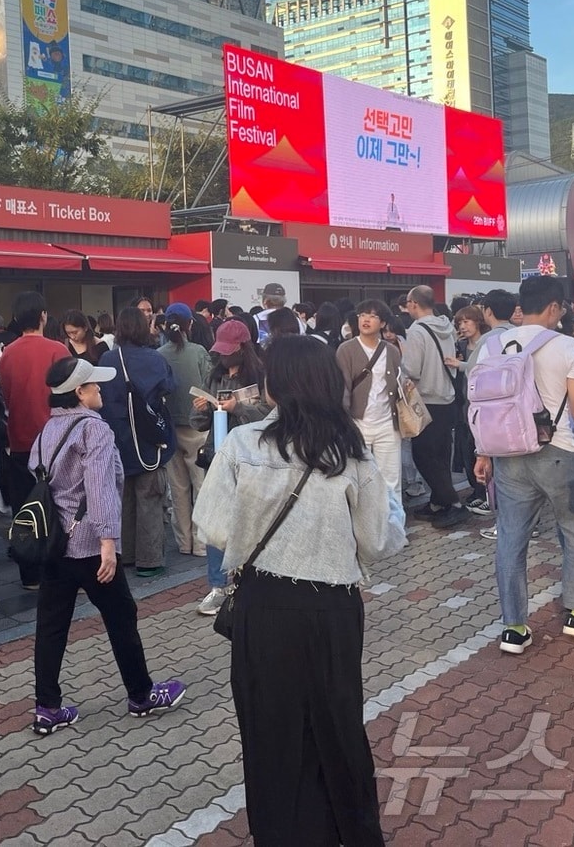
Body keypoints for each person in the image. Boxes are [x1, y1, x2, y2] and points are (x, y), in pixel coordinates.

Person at [195, 337, 405, 847]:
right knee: (337, 727)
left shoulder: (243, 444)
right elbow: (379, 539)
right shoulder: (349, 449)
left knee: (270, 733)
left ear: (276, 385)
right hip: (333, 606)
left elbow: (212, 524)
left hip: (263, 606)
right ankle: (351, 834)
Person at [29, 357, 187, 735]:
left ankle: (47, 707)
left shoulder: (47, 430)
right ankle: (141, 695)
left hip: (54, 545)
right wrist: (107, 543)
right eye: (94, 386)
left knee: (51, 627)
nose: (100, 390)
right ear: (80, 393)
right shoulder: (94, 430)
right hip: (87, 545)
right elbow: (100, 488)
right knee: (121, 617)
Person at [470, 276, 574, 656]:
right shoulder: (569, 347)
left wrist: (482, 453)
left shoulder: (493, 345)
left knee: (511, 538)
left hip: (507, 456)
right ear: (554, 307)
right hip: (558, 451)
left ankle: (514, 628)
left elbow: (483, 405)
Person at [191, 318, 268, 613]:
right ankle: (218, 585)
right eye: (220, 352)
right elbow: (198, 423)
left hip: (251, 457)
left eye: (229, 351)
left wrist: (239, 408)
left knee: (250, 520)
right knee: (213, 521)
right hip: (217, 456)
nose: (223, 358)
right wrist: (202, 408)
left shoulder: (261, 376)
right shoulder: (214, 376)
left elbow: (269, 416)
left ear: (243, 348)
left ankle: (248, 580)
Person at [0, 292, 72, 588]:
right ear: (44, 315)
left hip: (18, 439)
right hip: (56, 440)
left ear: (16, 318)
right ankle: (60, 569)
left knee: (24, 509)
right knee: (62, 507)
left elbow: (5, 396)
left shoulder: (7, 354)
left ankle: (29, 574)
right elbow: (69, 396)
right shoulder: (58, 350)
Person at [100, 306, 177, 578]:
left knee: (123, 498)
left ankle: (127, 554)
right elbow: (169, 387)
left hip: (115, 438)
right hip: (148, 439)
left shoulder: (107, 359)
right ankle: (150, 559)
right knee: (150, 499)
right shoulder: (154, 359)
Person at [401, 285, 468, 529]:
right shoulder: (447, 326)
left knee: (423, 455)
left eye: (408, 303)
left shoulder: (417, 330)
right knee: (440, 454)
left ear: (414, 304)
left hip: (426, 400)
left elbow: (412, 369)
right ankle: (438, 502)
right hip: (447, 398)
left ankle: (453, 504)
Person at [337, 300, 403, 503]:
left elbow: (398, 383)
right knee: (359, 477)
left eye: (373, 316)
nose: (366, 319)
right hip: (357, 422)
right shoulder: (346, 349)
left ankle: (393, 529)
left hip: (387, 423)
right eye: (362, 315)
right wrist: (344, 422)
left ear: (383, 323)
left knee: (391, 480)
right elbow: (343, 388)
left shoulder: (391, 351)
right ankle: (364, 528)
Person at [159, 304, 211, 559]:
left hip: (170, 428)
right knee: (201, 485)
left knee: (177, 488)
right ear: (190, 324)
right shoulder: (199, 352)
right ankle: (201, 544)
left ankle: (183, 543)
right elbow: (208, 386)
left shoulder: (159, 354)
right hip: (196, 428)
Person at [446, 304, 492, 513]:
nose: (463, 326)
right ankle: (477, 491)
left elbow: (480, 369)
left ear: (478, 321)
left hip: (482, 404)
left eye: (467, 321)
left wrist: (461, 365)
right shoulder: (460, 346)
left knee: (481, 449)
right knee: (466, 451)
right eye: (459, 323)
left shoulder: (488, 344)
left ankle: (487, 494)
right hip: (464, 405)